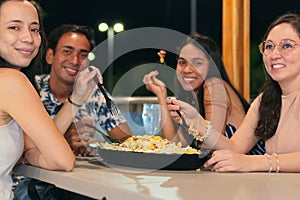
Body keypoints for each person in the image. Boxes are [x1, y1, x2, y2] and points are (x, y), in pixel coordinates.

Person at [166, 13, 300, 172]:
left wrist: (252, 162)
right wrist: (199, 123)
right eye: (269, 46)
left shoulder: (214, 85)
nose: (274, 54)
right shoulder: (265, 99)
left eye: (286, 46)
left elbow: (246, 159)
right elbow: (235, 147)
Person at [14, 24, 132, 200]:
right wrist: (64, 142)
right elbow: (25, 149)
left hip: (81, 185)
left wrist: (97, 144)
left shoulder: (95, 92)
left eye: (83, 54)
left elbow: (129, 141)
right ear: (50, 56)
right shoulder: (30, 89)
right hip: (30, 183)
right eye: (67, 52)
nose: (76, 60)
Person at [0, 0, 100, 199]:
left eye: (34, 29)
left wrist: (77, 98)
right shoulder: (10, 81)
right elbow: (62, 160)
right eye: (14, 27)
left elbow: (34, 144)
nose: (28, 38)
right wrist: (28, 154)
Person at [143, 33, 265, 154]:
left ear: (211, 66)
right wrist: (161, 95)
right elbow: (175, 146)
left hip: (252, 170)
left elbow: (210, 148)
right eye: (182, 62)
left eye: (197, 63)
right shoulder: (191, 98)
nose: (187, 70)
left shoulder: (214, 85)